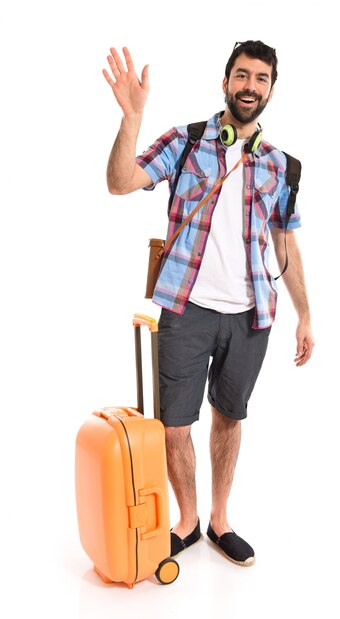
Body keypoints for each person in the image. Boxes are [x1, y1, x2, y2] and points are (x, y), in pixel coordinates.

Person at [103, 40, 314, 566]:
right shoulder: (186, 141)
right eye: (242, 75)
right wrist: (132, 117)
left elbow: (285, 243)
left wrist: (306, 313)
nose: (250, 86)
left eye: (260, 79)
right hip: (185, 308)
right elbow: (121, 182)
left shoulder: (282, 168)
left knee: (229, 417)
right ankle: (188, 520)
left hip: (251, 316)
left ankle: (220, 521)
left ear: (270, 90)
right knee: (176, 423)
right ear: (225, 82)